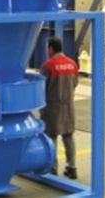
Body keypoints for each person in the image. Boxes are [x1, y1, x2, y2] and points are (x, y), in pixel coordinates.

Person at [40, 36, 78, 179]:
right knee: (68, 136)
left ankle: (52, 168)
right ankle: (71, 167)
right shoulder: (72, 64)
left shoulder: (48, 65)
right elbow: (75, 83)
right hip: (68, 106)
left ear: (50, 49)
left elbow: (41, 87)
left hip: (52, 107)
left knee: (51, 137)